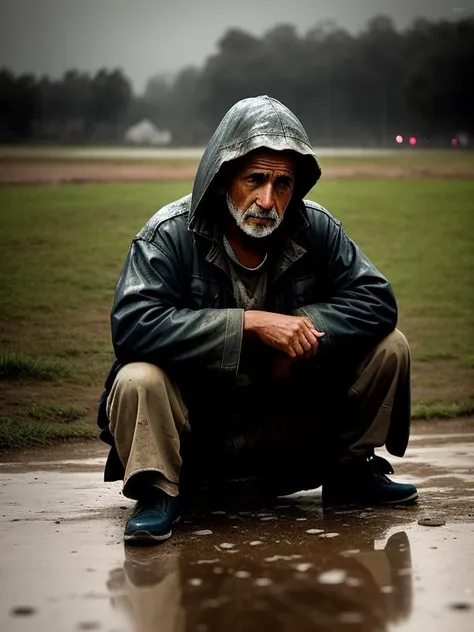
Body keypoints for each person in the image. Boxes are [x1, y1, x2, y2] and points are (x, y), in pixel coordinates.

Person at [97, 95, 418, 545]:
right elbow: (132, 326)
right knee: (137, 378)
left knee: (392, 346)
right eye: (255, 179)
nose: (268, 200)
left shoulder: (316, 228)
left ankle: (350, 472)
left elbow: (377, 300)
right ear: (223, 176)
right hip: (199, 428)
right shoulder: (168, 234)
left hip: (288, 419)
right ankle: (158, 493)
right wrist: (250, 325)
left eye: (282, 184)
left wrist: (303, 331)